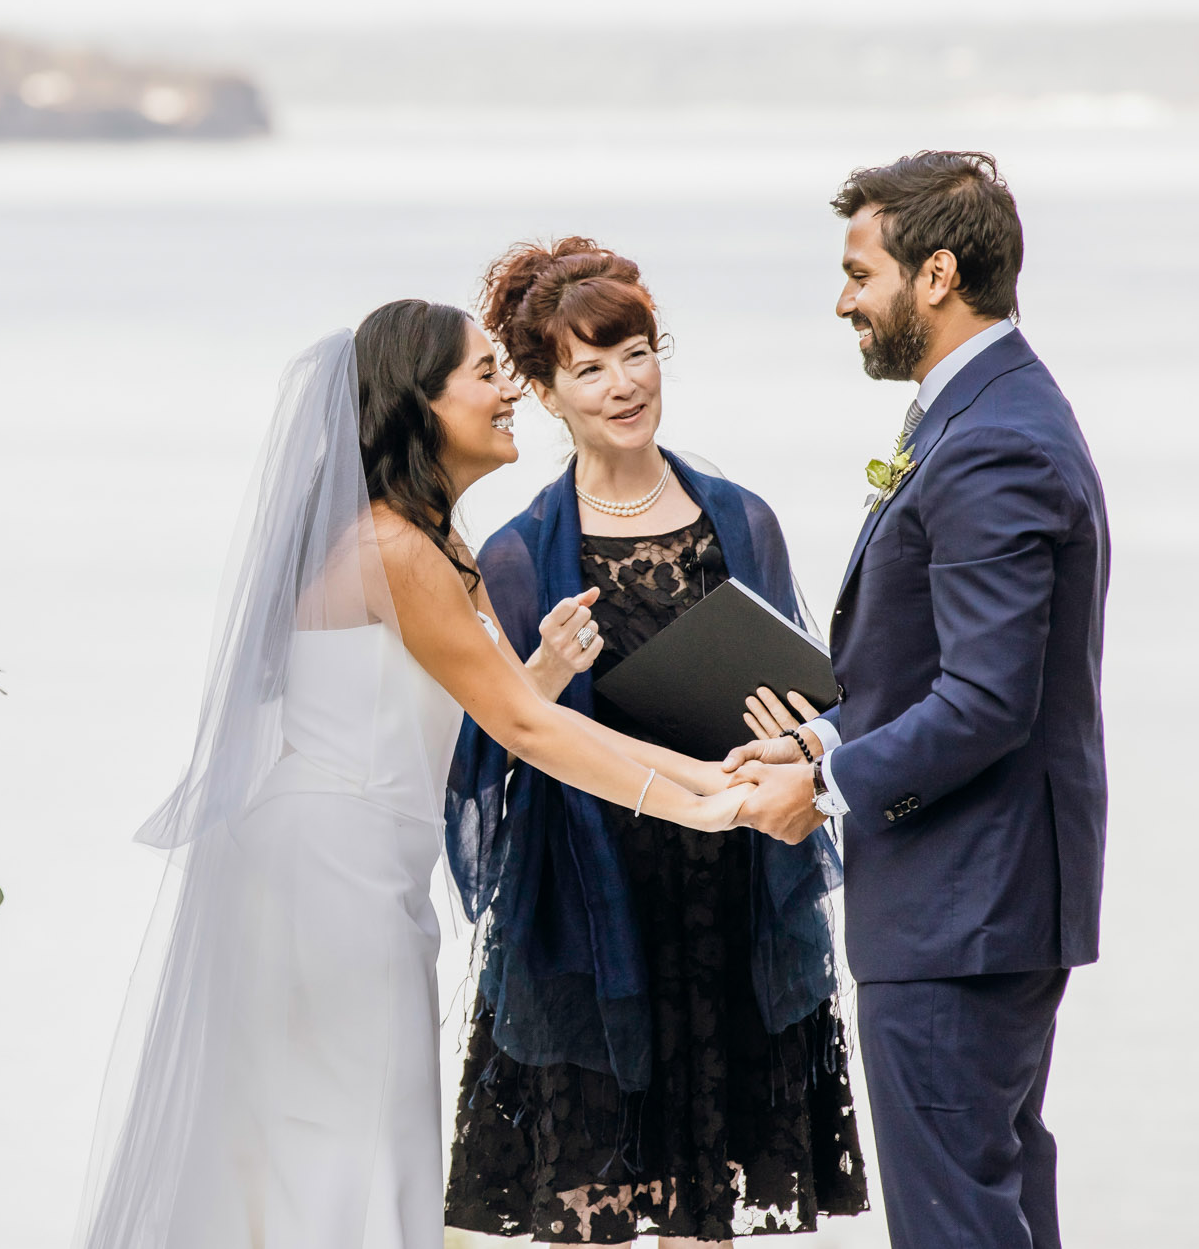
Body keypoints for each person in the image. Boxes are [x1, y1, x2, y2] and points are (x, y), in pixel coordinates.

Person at [75, 300, 783, 1249]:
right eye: (486, 374)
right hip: (325, 876)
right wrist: (699, 807)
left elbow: (496, 712)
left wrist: (706, 775)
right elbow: (529, 732)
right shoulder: (395, 548)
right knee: (347, 1139)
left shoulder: (438, 541)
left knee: (367, 1131)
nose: (508, 394)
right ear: (420, 403)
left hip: (368, 867)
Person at [443, 239, 867, 1248]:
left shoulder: (738, 521)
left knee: (703, 1213)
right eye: (587, 367)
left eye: (633, 352)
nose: (621, 384)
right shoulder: (516, 554)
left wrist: (800, 734)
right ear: (546, 394)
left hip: (723, 898)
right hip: (589, 917)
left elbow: (812, 701)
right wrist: (542, 672)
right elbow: (481, 763)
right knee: (588, 1212)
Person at [726, 152, 1110, 1249]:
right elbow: (936, 666)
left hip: (963, 904)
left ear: (934, 274)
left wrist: (825, 783)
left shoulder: (992, 441)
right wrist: (823, 731)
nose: (842, 298)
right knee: (991, 1199)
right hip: (978, 900)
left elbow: (987, 700)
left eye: (859, 271)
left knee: (955, 1222)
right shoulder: (979, 410)